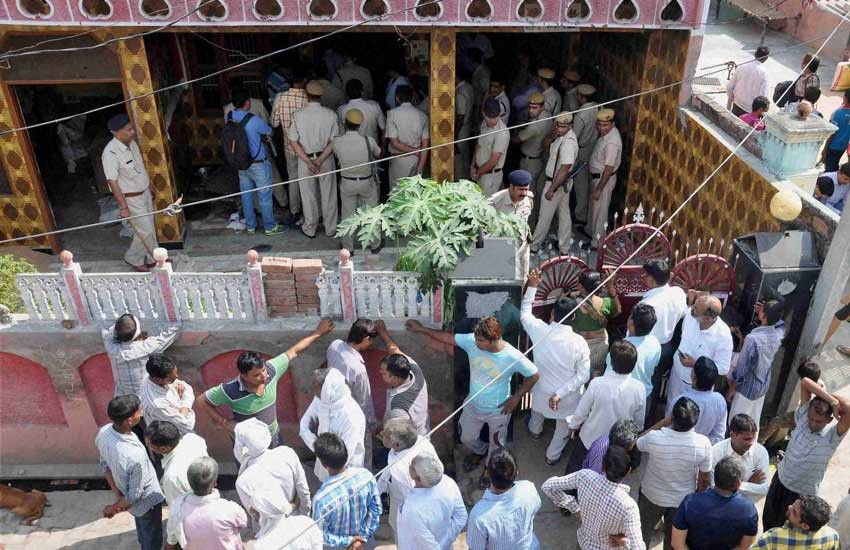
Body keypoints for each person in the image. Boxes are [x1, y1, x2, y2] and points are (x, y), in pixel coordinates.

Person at [405, 317, 539, 485]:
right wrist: (422, 329)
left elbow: (534, 375)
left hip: (499, 410)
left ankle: (490, 469)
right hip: (472, 404)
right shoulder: (472, 341)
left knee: (497, 444)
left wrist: (516, 397)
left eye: (481, 340)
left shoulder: (512, 356)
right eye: (476, 339)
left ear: (494, 338)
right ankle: (480, 452)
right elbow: (447, 337)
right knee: (466, 437)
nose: (476, 343)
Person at [197, 319, 333, 445]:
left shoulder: (271, 370)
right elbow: (202, 401)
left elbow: (294, 351)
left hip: (274, 438)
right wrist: (224, 422)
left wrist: (318, 332)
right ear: (244, 376)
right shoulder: (231, 390)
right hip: (247, 444)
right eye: (256, 375)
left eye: (263, 370)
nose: (264, 376)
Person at [762, 376, 850, 530]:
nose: (813, 423)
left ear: (829, 420)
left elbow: (848, 409)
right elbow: (805, 382)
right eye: (811, 418)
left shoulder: (832, 437)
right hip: (780, 481)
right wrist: (830, 399)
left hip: (801, 496)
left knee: (790, 531)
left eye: (819, 421)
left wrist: (832, 401)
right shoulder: (802, 417)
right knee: (769, 521)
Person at [521, 269, 590, 465]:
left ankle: (535, 432)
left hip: (541, 391)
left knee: (537, 413)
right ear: (574, 317)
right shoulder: (579, 343)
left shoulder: (539, 330)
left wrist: (533, 286)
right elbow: (583, 376)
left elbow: (525, 314)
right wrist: (560, 394)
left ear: (552, 314)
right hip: (566, 398)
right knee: (562, 428)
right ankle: (551, 457)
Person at [636, 396, 712, 550]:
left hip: (651, 495)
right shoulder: (703, 444)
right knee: (673, 543)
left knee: (641, 536)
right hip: (681, 501)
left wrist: (663, 422)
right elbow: (704, 479)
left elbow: (638, 442)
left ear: (672, 417)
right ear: (695, 421)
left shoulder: (654, 438)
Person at [96, 395, 165, 550]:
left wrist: (118, 495)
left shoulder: (104, 433)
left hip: (126, 495)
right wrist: (114, 508)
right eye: (139, 411)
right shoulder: (134, 456)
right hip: (147, 502)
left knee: (142, 528)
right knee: (152, 535)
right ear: (130, 420)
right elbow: (134, 496)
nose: (141, 413)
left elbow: (104, 465)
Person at [541, 445, 644, 550]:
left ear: (603, 465)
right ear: (628, 471)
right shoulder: (629, 507)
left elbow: (548, 486)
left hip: (584, 544)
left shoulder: (584, 476)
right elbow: (638, 547)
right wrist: (624, 541)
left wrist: (575, 509)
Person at [567, 340, 646, 475]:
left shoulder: (597, 384)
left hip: (589, 439)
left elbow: (582, 411)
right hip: (617, 446)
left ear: (611, 361)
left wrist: (573, 426)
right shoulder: (639, 389)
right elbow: (639, 422)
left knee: (575, 471)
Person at [102, 113, 159, 271]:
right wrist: (123, 207)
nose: (132, 132)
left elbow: (140, 168)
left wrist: (149, 187)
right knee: (145, 231)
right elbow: (112, 182)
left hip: (144, 193)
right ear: (115, 133)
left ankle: (153, 258)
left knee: (150, 228)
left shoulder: (132, 144)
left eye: (132, 128)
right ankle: (133, 258)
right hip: (131, 199)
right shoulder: (110, 153)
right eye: (128, 130)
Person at [671, 456, 759, 550]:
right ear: (738, 484)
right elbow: (744, 546)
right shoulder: (749, 510)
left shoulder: (690, 502)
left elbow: (677, 544)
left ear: (715, 477)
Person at [312, 432, 382, 550]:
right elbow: (376, 510)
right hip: (365, 544)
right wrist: (362, 538)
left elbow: (320, 536)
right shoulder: (366, 476)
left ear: (323, 464)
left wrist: (350, 541)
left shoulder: (321, 499)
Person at [144, 421, 208, 550]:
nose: (148, 447)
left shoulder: (172, 478)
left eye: (149, 445)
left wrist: (171, 542)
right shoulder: (194, 439)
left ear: (163, 449)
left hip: (193, 519)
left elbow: (177, 514)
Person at [288, 80, 340, 239]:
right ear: (321, 95)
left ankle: (310, 227)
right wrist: (320, 160)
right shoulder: (331, 114)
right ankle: (330, 228)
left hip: (305, 160)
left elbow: (294, 142)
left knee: (308, 195)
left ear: (306, 94)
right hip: (326, 159)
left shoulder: (298, 115)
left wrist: (309, 162)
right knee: (329, 194)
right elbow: (334, 141)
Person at [228, 89, 283, 237]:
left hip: (241, 163)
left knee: (246, 196)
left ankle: (251, 226)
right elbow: (270, 131)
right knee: (264, 196)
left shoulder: (230, 117)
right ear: (247, 103)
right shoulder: (254, 120)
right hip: (258, 163)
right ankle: (270, 227)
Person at [637, 259, 688, 419]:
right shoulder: (678, 293)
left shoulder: (648, 304)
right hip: (668, 346)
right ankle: (650, 416)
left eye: (645, 275)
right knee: (655, 381)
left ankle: (644, 418)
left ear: (651, 280)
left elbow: (634, 331)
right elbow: (682, 314)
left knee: (644, 384)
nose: (643, 278)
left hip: (648, 348)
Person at [667, 295, 733, 416]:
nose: (692, 308)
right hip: (677, 375)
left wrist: (695, 364)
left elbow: (723, 368)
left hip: (699, 389)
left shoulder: (723, 336)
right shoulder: (690, 315)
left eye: (696, 308)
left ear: (707, 318)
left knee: (689, 417)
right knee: (670, 409)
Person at [233, 418, 311, 517]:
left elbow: (256, 516)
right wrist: (305, 516)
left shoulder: (242, 482)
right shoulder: (287, 453)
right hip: (296, 518)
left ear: (243, 448)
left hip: (268, 526)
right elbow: (303, 490)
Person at [299, 368, 366, 481]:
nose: (315, 395)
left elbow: (346, 455)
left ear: (327, 391)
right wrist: (318, 448)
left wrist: (323, 452)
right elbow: (304, 426)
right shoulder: (322, 400)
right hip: (325, 464)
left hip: (346, 472)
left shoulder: (352, 416)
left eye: (318, 392)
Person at [376, 418, 439, 539]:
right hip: (404, 499)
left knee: (404, 536)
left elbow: (410, 499)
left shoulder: (402, 469)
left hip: (408, 508)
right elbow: (388, 471)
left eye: (385, 436)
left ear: (396, 444)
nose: (381, 435)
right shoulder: (416, 440)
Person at [467, 449, 541, 550]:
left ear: (487, 474)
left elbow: (475, 548)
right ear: (517, 473)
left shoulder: (478, 516)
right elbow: (535, 509)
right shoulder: (529, 489)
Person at [332, 109, 382, 252]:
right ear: (360, 125)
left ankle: (348, 247)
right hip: (367, 182)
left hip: (347, 182)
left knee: (347, 216)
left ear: (344, 123)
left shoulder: (337, 141)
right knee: (371, 214)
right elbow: (378, 153)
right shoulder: (368, 140)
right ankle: (375, 245)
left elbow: (336, 155)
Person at [327, 318, 377, 455]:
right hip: (353, 417)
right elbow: (365, 401)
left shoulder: (334, 346)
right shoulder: (358, 369)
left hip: (333, 411)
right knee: (361, 452)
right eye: (371, 341)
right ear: (366, 339)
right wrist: (372, 425)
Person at [729, 300, 785, 425]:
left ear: (763, 316)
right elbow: (781, 322)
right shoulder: (779, 333)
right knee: (753, 422)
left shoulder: (752, 339)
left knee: (737, 423)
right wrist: (769, 313)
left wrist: (730, 391)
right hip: (762, 387)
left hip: (746, 389)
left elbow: (741, 371)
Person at [396, 453, 468, 550]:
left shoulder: (412, 508)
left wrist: (440, 547)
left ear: (417, 478)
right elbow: (461, 517)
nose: (410, 466)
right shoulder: (448, 483)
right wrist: (445, 543)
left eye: (412, 466)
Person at [531, 111, 577, 255]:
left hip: (556, 183)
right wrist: (553, 135)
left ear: (570, 126)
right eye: (557, 125)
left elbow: (564, 168)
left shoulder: (568, 143)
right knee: (564, 215)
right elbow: (545, 145)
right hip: (560, 183)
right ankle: (564, 247)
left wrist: (551, 189)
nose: (559, 128)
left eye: (563, 126)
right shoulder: (560, 137)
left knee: (544, 216)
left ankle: (534, 245)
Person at [176, 457, 247, 550]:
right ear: (215, 483)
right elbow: (243, 523)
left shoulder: (178, 507)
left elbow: (172, 536)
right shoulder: (230, 509)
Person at [101, 314, 180, 398]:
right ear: (138, 332)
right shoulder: (146, 347)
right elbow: (175, 328)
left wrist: (120, 329)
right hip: (145, 399)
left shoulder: (112, 349)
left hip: (121, 399)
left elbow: (105, 330)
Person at [375, 320, 430, 435]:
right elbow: (394, 350)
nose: (380, 372)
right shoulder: (414, 369)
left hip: (412, 441)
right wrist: (382, 333)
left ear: (395, 378)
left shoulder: (398, 408)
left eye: (384, 373)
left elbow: (402, 438)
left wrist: (383, 435)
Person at [612, 303, 661, 426]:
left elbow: (611, 373)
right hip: (645, 395)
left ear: (631, 323)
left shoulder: (620, 349)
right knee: (635, 430)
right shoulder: (655, 343)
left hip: (623, 399)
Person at [271, 70, 308, 224]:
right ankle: (310, 211)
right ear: (304, 81)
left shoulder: (280, 97)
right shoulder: (308, 98)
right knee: (308, 179)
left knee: (293, 178)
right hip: (307, 148)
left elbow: (274, 123)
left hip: (289, 146)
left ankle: (294, 210)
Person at [570, 271, 622, 376]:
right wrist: (611, 286)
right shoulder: (606, 303)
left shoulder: (573, 304)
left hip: (580, 344)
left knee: (578, 371)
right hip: (600, 345)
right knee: (597, 372)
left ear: (581, 287)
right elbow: (618, 310)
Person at [712, 414, 770, 503]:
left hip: (746, 505)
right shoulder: (716, 451)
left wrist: (735, 486)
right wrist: (749, 484)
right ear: (732, 435)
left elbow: (764, 489)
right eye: (746, 439)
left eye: (753, 438)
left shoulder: (761, 452)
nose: (751, 443)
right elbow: (713, 486)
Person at [511, 92, 551, 215]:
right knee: (534, 191)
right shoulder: (547, 115)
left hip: (530, 161)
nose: (531, 110)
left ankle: (529, 221)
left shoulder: (535, 126)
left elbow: (516, 140)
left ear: (542, 107)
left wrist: (515, 129)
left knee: (526, 194)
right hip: (539, 159)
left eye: (535, 108)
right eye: (529, 107)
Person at [489, 169, 534, 277]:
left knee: (524, 277)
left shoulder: (528, 198)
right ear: (511, 187)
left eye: (526, 189)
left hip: (522, 247)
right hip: (503, 249)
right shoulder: (495, 201)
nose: (524, 193)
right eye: (520, 189)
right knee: (505, 279)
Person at [248, 485, 323, 550]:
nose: (251, 511)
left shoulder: (260, 546)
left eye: (254, 509)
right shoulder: (306, 522)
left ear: (263, 515)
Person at [588, 108, 623, 249]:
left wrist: (599, 189)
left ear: (612, 124)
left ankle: (597, 244)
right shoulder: (607, 135)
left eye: (605, 125)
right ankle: (592, 236)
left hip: (603, 180)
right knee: (595, 211)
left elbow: (608, 169)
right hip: (598, 177)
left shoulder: (612, 142)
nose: (601, 128)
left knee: (600, 213)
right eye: (600, 124)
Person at [755, 496, 840, 549]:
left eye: (794, 512)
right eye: (793, 504)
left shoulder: (772, 538)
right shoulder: (832, 536)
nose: (789, 507)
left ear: (805, 526)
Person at [386, 85, 430, 187]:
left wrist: (415, 151)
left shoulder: (392, 114)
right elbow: (425, 146)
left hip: (399, 160)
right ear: (412, 97)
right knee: (414, 192)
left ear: (397, 97)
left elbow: (395, 143)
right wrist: (420, 169)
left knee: (398, 192)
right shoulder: (423, 115)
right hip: (417, 160)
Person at [140, 354, 195, 434]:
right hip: (171, 437)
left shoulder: (150, 375)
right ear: (157, 379)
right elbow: (187, 425)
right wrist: (184, 406)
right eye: (172, 379)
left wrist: (182, 412)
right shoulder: (158, 406)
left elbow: (187, 387)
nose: (177, 377)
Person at [680, 357, 727, 444]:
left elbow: (671, 429)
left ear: (694, 377)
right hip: (706, 448)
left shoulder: (682, 400)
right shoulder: (720, 401)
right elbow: (719, 436)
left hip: (681, 446)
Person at [572, 83, 599, 233]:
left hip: (582, 150)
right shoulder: (598, 107)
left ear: (582, 97)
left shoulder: (581, 115)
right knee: (590, 183)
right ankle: (589, 216)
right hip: (594, 149)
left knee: (581, 186)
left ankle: (580, 217)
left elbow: (574, 136)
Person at [471, 97, 510, 196]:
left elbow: (493, 162)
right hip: (479, 172)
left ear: (499, 114)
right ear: (483, 113)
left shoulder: (502, 133)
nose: (491, 121)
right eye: (489, 117)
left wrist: (477, 173)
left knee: (486, 203)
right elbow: (479, 145)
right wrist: (473, 165)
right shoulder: (484, 124)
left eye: (494, 117)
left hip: (490, 177)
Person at [337, 79, 385, 143]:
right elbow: (384, 129)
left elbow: (341, 133)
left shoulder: (340, 110)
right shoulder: (375, 106)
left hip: (350, 146)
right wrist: (383, 146)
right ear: (362, 92)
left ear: (346, 94)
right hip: (371, 146)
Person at [726, 46, 770, 116]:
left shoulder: (742, 66)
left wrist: (731, 97)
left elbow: (729, 87)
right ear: (766, 58)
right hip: (750, 112)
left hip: (737, 105)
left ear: (755, 54)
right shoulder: (764, 74)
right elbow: (763, 97)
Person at [455, 67, 475, 180]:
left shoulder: (460, 93)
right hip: (467, 126)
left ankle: (460, 180)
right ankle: (466, 179)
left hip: (461, 129)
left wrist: (455, 134)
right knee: (465, 156)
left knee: (459, 159)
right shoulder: (469, 87)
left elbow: (460, 116)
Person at [825, 89, 850, 172]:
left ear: (845, 98)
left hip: (833, 145)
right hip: (844, 146)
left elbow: (832, 132)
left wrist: (826, 147)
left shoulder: (838, 113)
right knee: (835, 164)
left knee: (829, 167)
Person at [469, 49, 491, 128]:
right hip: (477, 105)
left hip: (480, 106)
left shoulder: (483, 73)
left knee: (478, 127)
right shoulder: (477, 71)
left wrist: (482, 108)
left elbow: (487, 91)